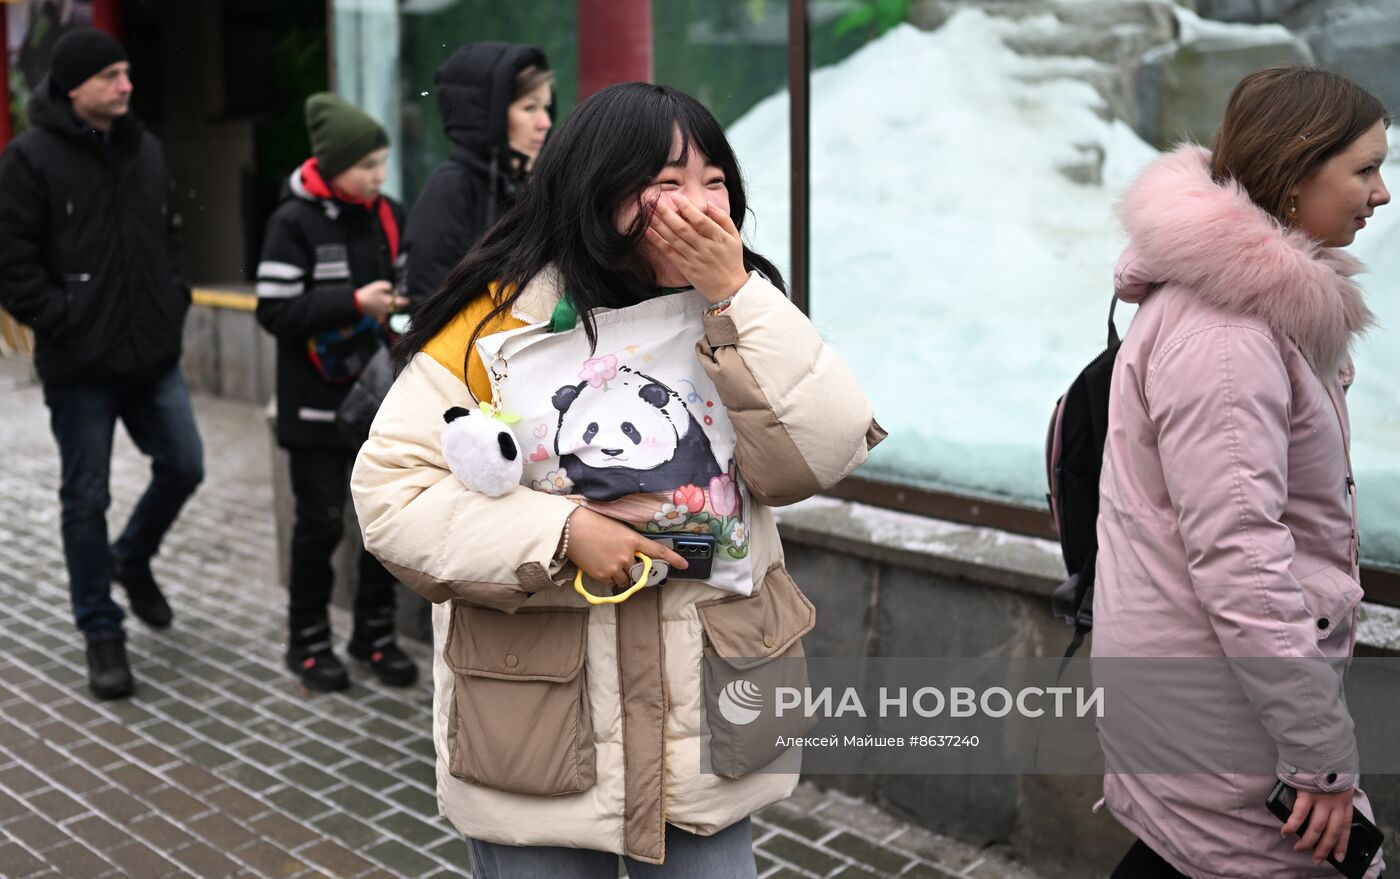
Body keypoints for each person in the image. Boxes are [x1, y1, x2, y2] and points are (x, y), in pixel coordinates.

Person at [351, 83, 883, 876]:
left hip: (704, 731)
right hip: (537, 731)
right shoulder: (497, 320)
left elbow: (825, 448)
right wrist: (560, 533)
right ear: (594, 191)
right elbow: (394, 497)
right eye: (665, 184)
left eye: (714, 182)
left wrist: (738, 297)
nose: (697, 206)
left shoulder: (739, 306)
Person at [1094, 66, 1390, 879]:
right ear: (1296, 174)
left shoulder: (1252, 311)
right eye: (1365, 169)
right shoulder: (1228, 335)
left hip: (1203, 695)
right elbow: (1242, 561)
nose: (1383, 193)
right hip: (1221, 710)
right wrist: (1320, 761)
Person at [0, 28, 204, 701]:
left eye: (126, 71)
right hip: (80, 366)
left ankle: (131, 558)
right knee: (85, 497)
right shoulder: (28, 160)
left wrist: (173, 302)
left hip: (151, 355)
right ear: (75, 85)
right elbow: (12, 265)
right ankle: (101, 629)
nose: (127, 85)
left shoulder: (144, 148)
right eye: (112, 75)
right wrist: (69, 318)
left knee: (185, 464)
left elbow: (169, 239)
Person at [255, 93, 417, 692]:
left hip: (379, 401)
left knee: (381, 524)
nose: (378, 177)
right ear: (330, 164)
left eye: (383, 164)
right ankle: (307, 642)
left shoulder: (389, 214)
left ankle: (374, 638)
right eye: (367, 166)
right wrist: (350, 303)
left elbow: (409, 287)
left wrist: (398, 306)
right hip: (314, 407)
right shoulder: (290, 223)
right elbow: (273, 310)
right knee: (319, 526)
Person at [403, 42, 552, 306]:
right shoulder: (451, 188)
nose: (545, 123)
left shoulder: (529, 187)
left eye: (546, 108)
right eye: (530, 108)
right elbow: (427, 300)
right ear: (488, 115)